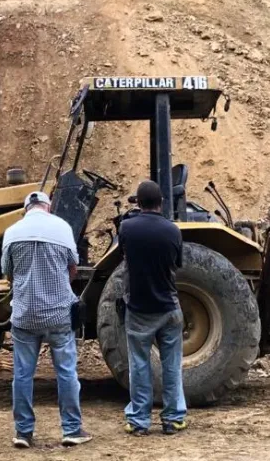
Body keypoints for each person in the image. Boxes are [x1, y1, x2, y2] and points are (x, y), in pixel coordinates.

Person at [1, 191, 92, 449]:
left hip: (24, 316)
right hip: (58, 314)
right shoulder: (62, 228)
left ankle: (23, 432)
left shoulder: (12, 232)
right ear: (47, 207)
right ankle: (72, 429)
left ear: (26, 209)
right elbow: (73, 268)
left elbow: (8, 273)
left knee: (22, 375)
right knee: (66, 373)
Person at [117, 180, 188, 436]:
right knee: (171, 364)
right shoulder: (173, 231)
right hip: (169, 307)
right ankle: (173, 419)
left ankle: (139, 422)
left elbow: (123, 257)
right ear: (161, 202)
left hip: (138, 310)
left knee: (139, 365)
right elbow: (177, 264)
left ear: (138, 202)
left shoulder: (126, 227)